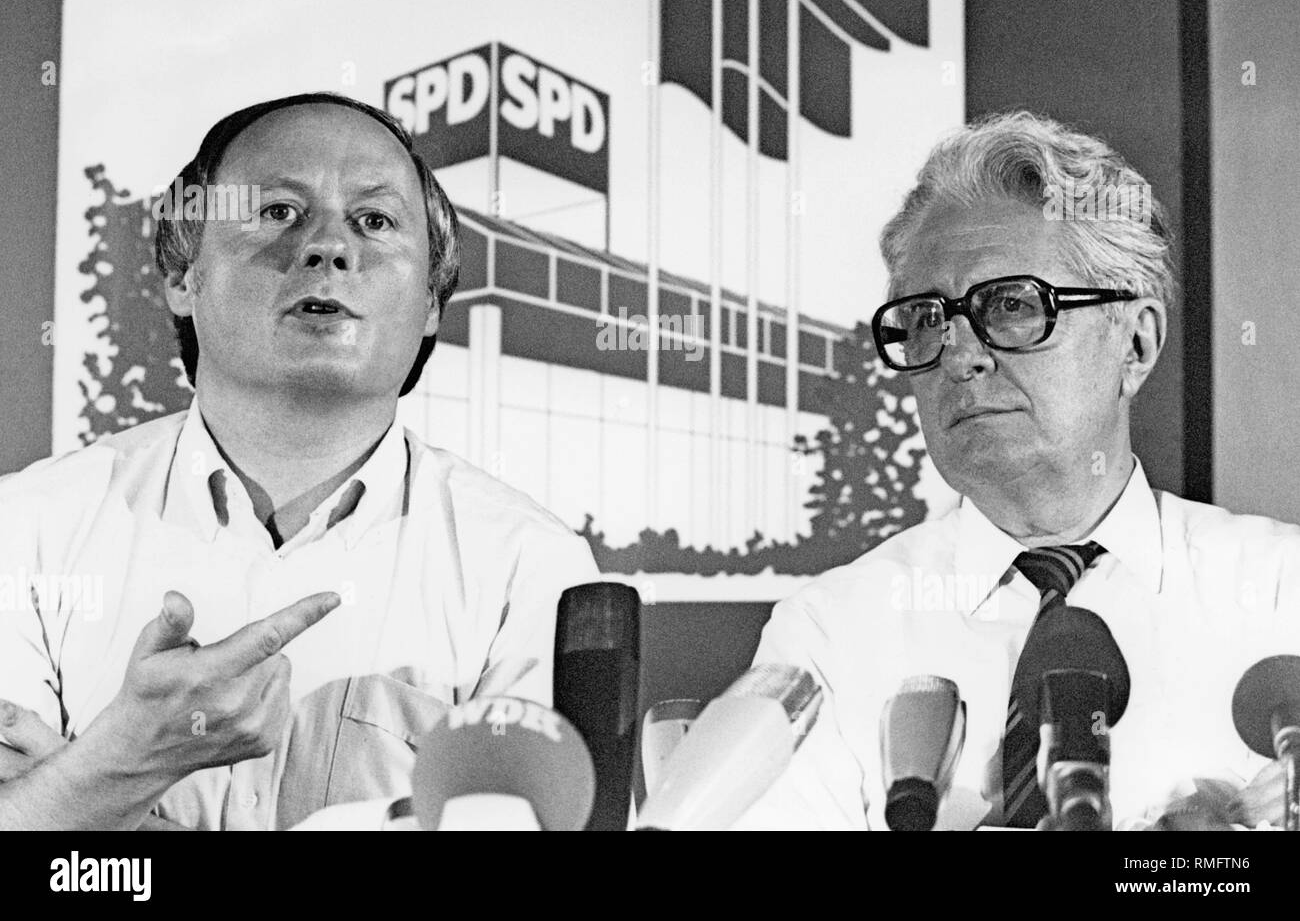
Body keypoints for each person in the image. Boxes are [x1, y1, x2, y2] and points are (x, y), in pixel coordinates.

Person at [0, 93, 598, 830]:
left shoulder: (529, 571)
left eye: (374, 221)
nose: (329, 249)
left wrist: (91, 787)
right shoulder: (23, 532)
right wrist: (118, 767)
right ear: (183, 276)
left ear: (433, 303)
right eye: (279, 211)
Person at [736, 110, 1300, 830]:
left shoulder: (1284, 596)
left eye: (1010, 305)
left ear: (1136, 344)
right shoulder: (830, 637)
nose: (960, 355)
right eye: (926, 319)